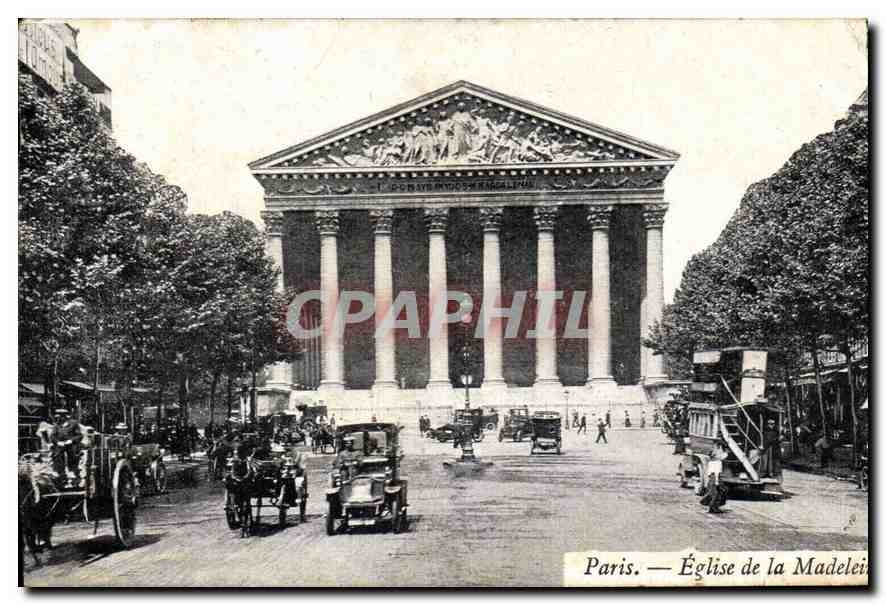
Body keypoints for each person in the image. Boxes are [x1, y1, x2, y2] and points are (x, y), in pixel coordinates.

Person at [53, 409, 84, 485]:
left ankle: (74, 475)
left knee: (72, 455)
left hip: (72, 445)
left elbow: (79, 435)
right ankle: (61, 475)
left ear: (66, 416)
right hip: (61, 446)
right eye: (59, 416)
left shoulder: (73, 424)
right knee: (57, 455)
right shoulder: (57, 425)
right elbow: (52, 436)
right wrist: (58, 442)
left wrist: (71, 441)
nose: (60, 418)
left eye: (62, 416)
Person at [701, 441, 729, 513]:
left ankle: (711, 505)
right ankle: (713, 507)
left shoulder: (712, 460)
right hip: (715, 477)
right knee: (717, 493)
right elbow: (716, 472)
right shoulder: (718, 461)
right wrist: (716, 481)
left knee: (717, 491)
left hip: (713, 477)